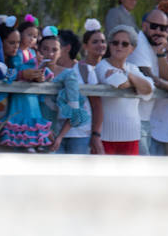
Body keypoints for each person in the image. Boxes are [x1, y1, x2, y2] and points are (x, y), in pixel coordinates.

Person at [95, 24, 154, 154]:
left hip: (132, 135)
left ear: (132, 49)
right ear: (110, 45)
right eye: (115, 43)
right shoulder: (102, 66)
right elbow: (119, 83)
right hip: (106, 136)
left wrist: (128, 75)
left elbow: (149, 89)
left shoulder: (132, 68)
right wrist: (135, 83)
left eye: (125, 44)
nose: (119, 46)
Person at [132, 8, 168, 154]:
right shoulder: (139, 42)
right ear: (145, 26)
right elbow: (149, 78)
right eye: (155, 26)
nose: (159, 32)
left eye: (164, 28)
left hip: (147, 119)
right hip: (136, 120)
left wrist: (161, 54)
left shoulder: (154, 46)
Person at [49, 29, 92, 154]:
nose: (50, 52)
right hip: (53, 132)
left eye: (56, 47)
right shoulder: (47, 71)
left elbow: (96, 104)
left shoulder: (84, 70)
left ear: (67, 48)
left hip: (80, 133)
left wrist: (96, 135)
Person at [79, 23, 109, 154]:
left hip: (110, 125)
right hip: (89, 128)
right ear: (85, 46)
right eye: (95, 42)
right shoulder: (80, 68)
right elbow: (94, 103)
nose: (100, 45)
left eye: (103, 41)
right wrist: (95, 133)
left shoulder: (110, 67)